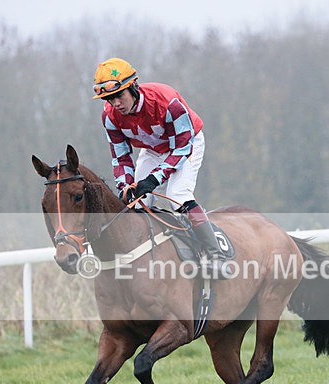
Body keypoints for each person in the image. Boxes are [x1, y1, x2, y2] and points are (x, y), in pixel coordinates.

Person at [92, 57, 231, 279]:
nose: (115, 103)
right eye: (109, 98)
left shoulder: (168, 102)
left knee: (177, 194)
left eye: (119, 95)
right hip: (153, 149)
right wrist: (125, 186)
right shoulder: (109, 116)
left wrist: (153, 180)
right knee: (137, 203)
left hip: (187, 143)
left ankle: (216, 256)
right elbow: (120, 157)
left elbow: (182, 148)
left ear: (134, 87)